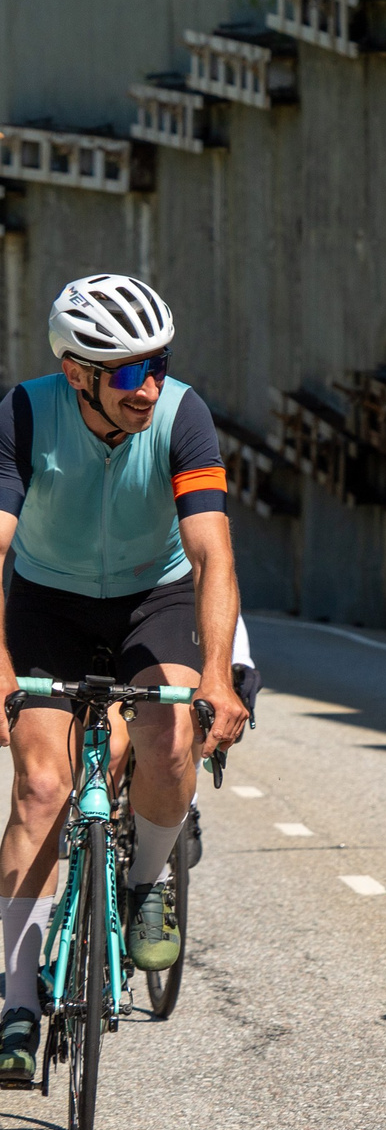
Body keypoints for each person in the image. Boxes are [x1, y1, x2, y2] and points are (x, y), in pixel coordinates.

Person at [0, 275, 249, 1085]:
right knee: (42, 788)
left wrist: (218, 675)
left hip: (155, 597)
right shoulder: (24, 413)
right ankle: (16, 1002)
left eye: (158, 364)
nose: (149, 386)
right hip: (49, 604)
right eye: (129, 372)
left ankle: (144, 884)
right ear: (77, 373)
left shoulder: (182, 415)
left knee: (170, 739)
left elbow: (211, 552)